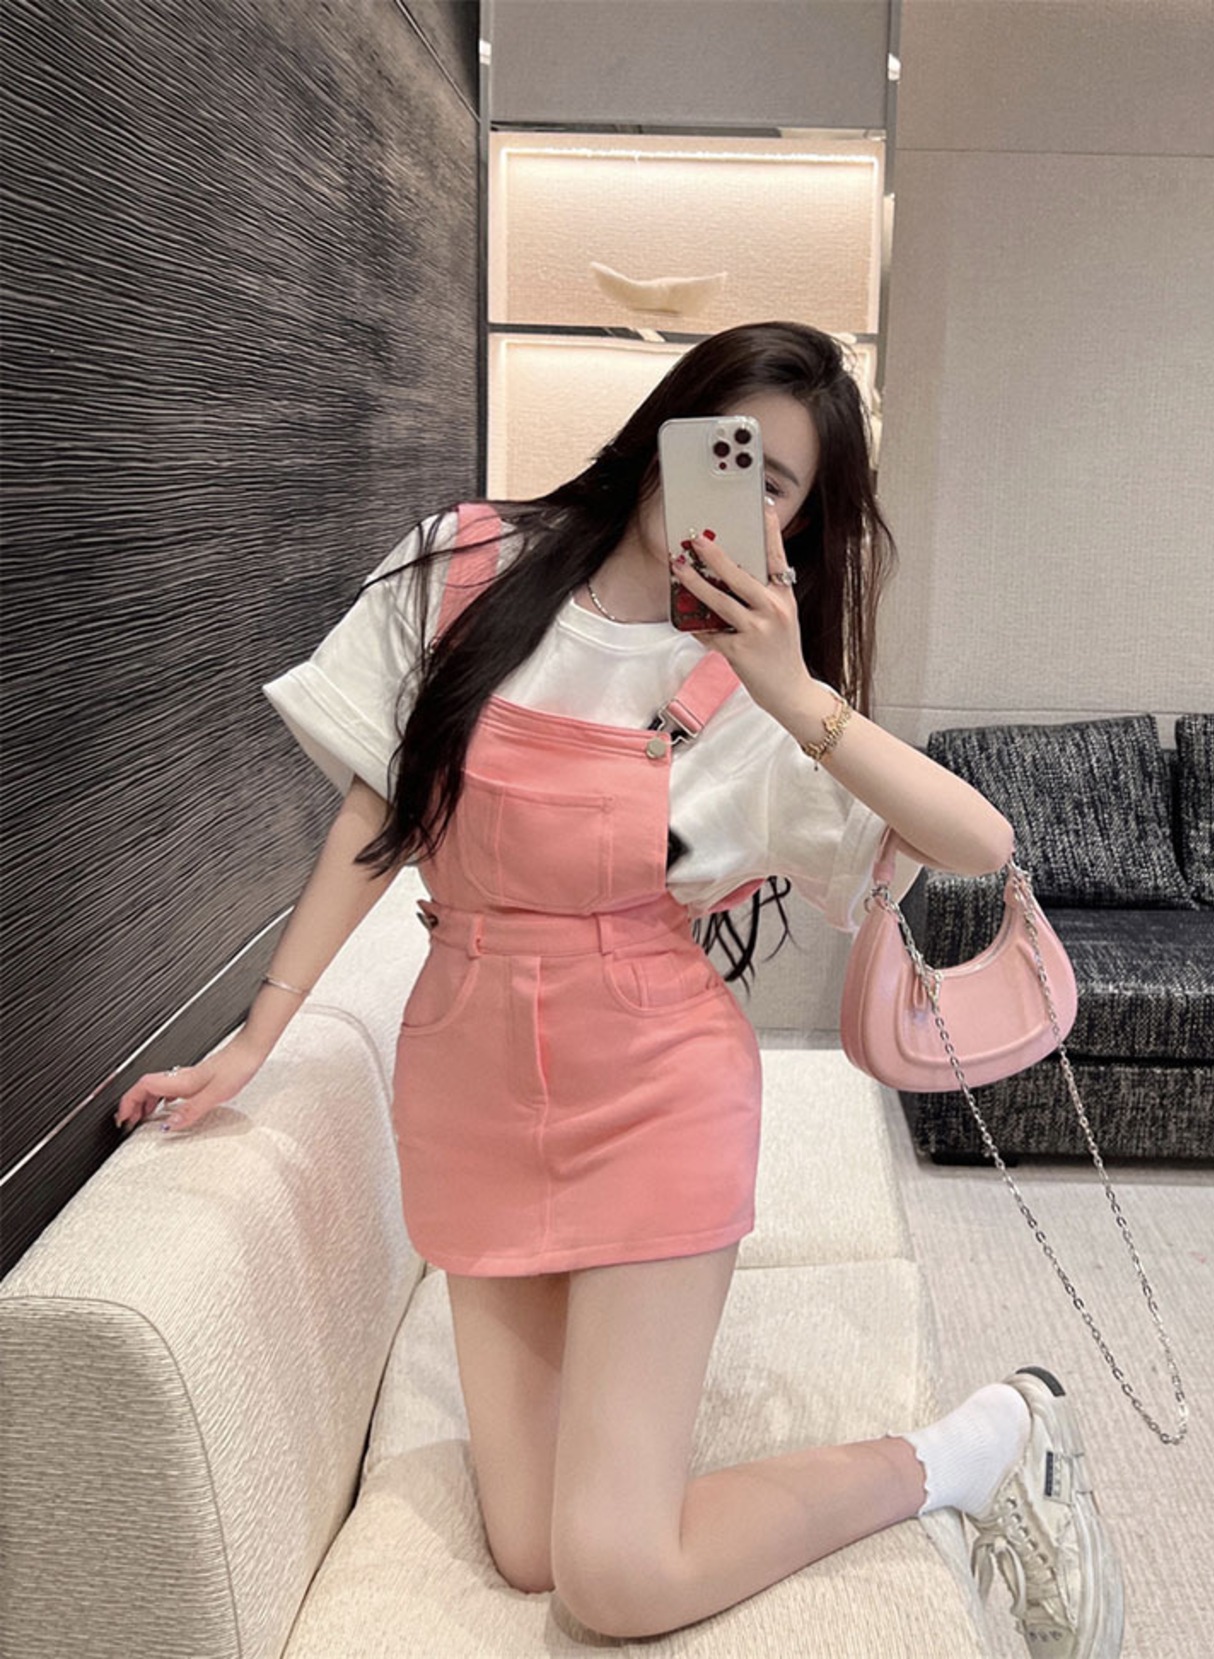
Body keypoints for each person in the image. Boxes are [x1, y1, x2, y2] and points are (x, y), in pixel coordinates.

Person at [116, 322, 1123, 1656]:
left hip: (659, 1096)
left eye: (774, 484)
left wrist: (794, 691)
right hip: (471, 1089)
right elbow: (378, 808)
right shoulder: (464, 565)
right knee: (529, 1549)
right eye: (723, 444)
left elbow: (980, 845)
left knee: (611, 1578)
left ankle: (978, 1447)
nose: (731, 487)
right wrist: (259, 1035)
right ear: (666, 424)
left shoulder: (759, 696)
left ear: (795, 524)